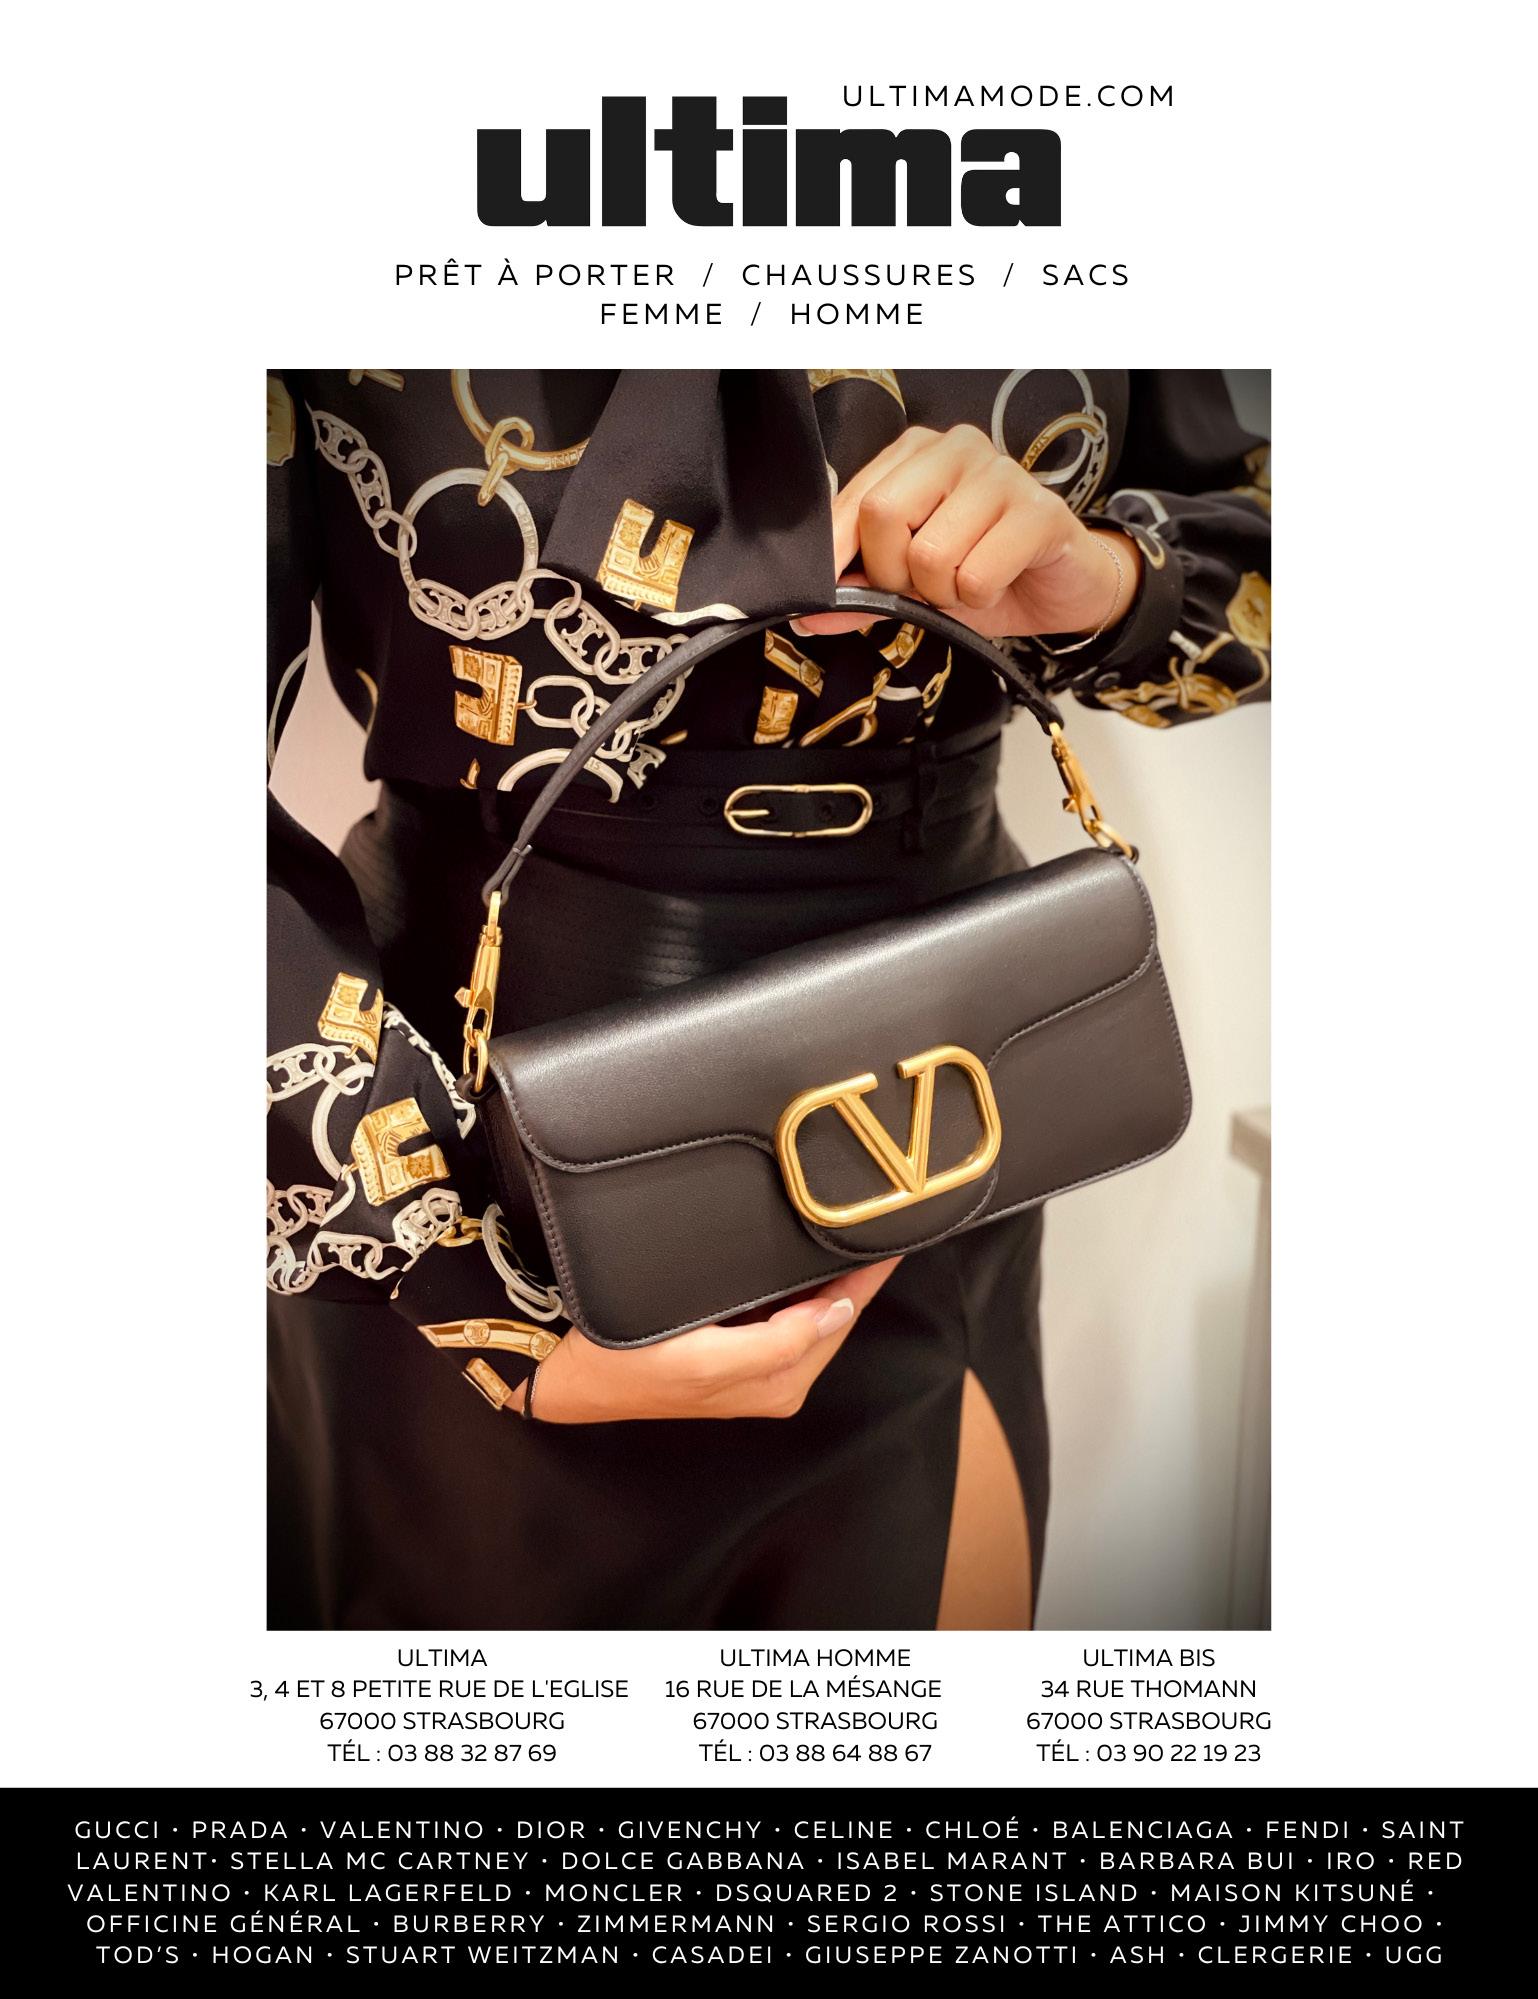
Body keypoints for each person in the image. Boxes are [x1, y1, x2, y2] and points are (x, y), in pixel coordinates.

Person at [267, 368, 1269, 1629]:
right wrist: (462, 1281)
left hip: (940, 1127)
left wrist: (1108, 580)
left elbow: (1259, 545)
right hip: (469, 1164)